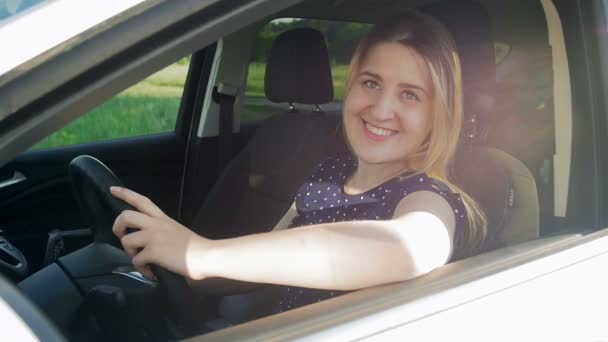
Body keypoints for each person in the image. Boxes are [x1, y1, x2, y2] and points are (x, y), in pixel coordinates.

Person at [111, 11, 486, 314]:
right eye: (371, 83)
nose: (382, 109)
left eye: (410, 94)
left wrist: (204, 253)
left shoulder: (428, 198)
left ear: (438, 115)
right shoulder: (327, 174)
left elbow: (414, 248)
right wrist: (182, 270)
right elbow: (262, 265)